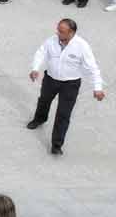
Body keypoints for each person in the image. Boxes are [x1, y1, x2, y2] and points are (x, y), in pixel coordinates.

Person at [26, 19, 104, 155]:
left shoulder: (82, 46)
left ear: (71, 33)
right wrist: (35, 68)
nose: (58, 33)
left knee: (63, 114)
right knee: (44, 101)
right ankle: (39, 119)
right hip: (50, 79)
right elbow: (41, 52)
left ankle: (56, 144)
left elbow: (92, 68)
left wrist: (98, 87)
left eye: (61, 31)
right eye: (58, 29)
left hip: (70, 84)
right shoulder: (51, 40)